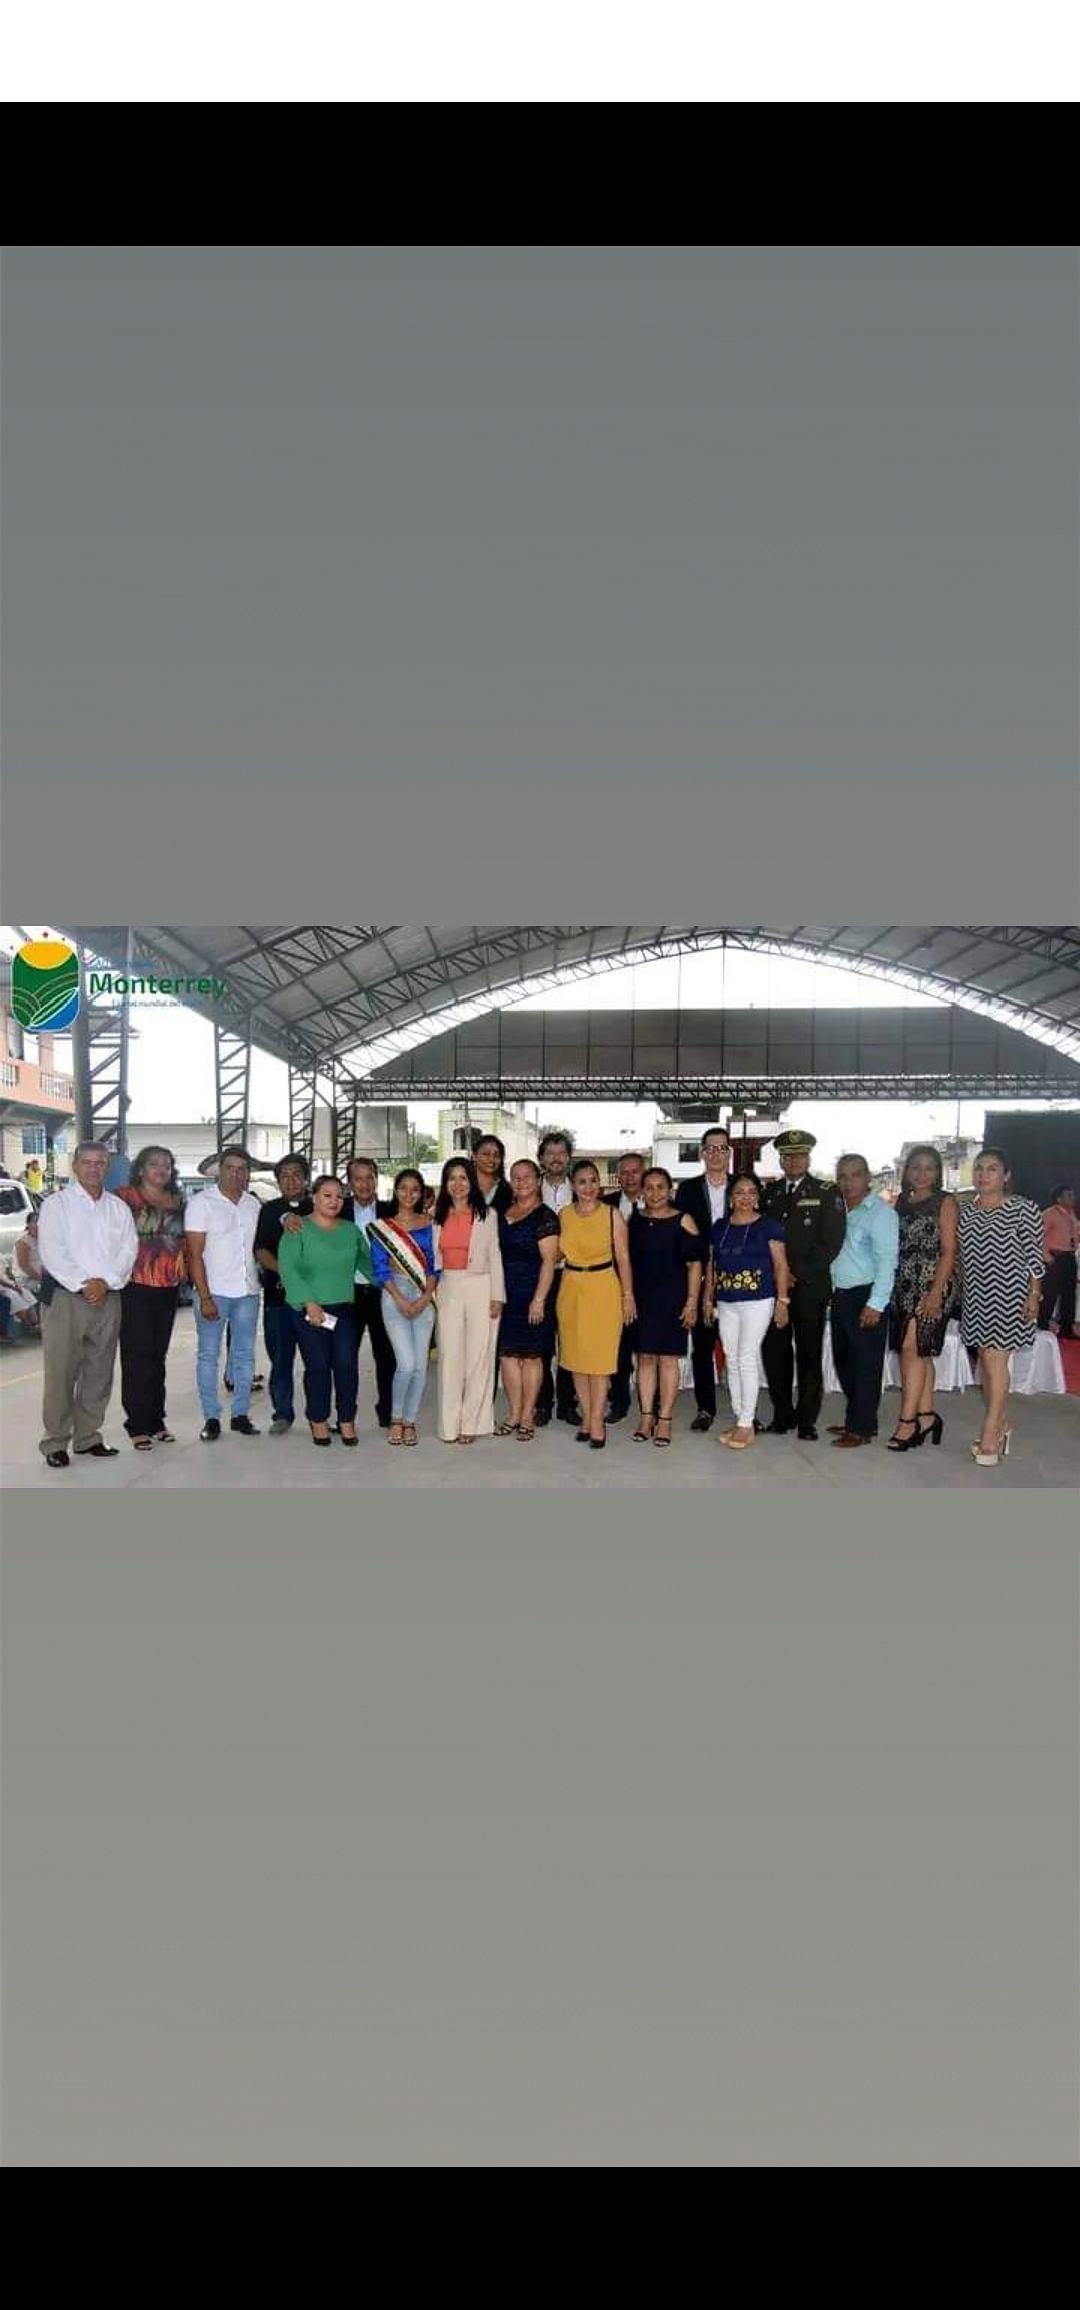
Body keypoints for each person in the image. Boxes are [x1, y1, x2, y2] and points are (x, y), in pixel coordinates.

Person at [36, 1141, 138, 1466]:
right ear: (75, 1166)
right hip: (66, 1298)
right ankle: (55, 1442)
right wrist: (85, 1283)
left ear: (107, 1167)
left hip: (109, 1297)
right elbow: (53, 1251)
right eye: (88, 1162)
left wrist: (105, 1282)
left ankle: (88, 1437)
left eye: (100, 1163)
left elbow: (129, 1249)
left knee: (99, 1373)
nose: (94, 1168)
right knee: (61, 1373)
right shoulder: (57, 1205)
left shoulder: (118, 1208)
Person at [959, 1147, 1045, 1468]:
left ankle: (990, 1434)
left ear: (1006, 1175)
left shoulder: (1023, 1208)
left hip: (1011, 1295)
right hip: (976, 1296)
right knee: (986, 1361)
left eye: (992, 1169)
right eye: (979, 1168)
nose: (983, 1175)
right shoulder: (967, 1211)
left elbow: (1034, 1255)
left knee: (996, 1360)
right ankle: (1003, 1422)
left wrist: (1034, 1293)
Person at [761, 1130, 847, 1442]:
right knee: (776, 1352)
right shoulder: (769, 1193)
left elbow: (831, 1242)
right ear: (781, 1160)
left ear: (809, 1158)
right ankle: (782, 1413)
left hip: (810, 1286)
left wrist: (793, 1273)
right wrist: (779, 1276)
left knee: (809, 1353)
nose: (794, 1161)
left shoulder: (826, 1192)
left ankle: (807, 1420)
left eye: (800, 1155)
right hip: (775, 1288)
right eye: (788, 1156)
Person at [184, 1146, 263, 1442]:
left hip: (247, 1291)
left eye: (242, 1169)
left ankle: (240, 1414)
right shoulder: (201, 1204)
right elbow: (194, 1255)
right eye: (230, 1168)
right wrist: (204, 1297)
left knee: (244, 1355)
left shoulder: (253, 1204)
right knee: (208, 1355)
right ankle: (211, 1417)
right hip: (214, 1292)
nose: (236, 1174)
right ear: (220, 1170)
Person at [708, 1172, 792, 1450]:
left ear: (758, 1197)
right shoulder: (720, 1227)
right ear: (730, 1197)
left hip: (759, 1299)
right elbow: (712, 1266)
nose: (745, 1197)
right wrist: (708, 1299)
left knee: (746, 1357)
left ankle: (747, 1423)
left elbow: (781, 1266)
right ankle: (741, 1418)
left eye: (751, 1192)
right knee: (731, 1358)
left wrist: (782, 1301)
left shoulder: (769, 1226)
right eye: (739, 1192)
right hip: (726, 1300)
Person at [885, 1145, 960, 1453]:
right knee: (921, 1352)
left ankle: (907, 1422)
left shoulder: (945, 1201)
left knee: (911, 1349)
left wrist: (935, 1293)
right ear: (907, 1171)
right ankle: (927, 1416)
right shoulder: (900, 1202)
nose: (922, 1174)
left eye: (929, 1168)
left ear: (938, 1172)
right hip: (904, 1285)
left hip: (933, 1283)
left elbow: (949, 1251)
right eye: (916, 1167)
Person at [277, 1175, 361, 1447]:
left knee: (346, 1364)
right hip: (307, 1308)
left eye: (339, 1196)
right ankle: (318, 1418)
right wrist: (309, 1302)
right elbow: (288, 1269)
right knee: (318, 1365)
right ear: (314, 1197)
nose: (334, 1201)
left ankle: (346, 1418)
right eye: (327, 1195)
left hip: (343, 1307)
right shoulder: (297, 1228)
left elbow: (368, 1263)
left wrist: (396, 1281)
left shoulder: (351, 1231)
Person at [557, 1159, 635, 1450]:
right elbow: (554, 1253)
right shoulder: (564, 1215)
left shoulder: (612, 1215)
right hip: (571, 1288)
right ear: (573, 1185)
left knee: (600, 1361)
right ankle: (587, 1417)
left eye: (593, 1180)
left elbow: (624, 1258)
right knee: (576, 1358)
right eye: (582, 1182)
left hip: (603, 1287)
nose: (588, 1187)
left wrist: (628, 1296)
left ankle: (598, 1419)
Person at [114, 1145, 188, 1450]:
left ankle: (157, 1420)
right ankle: (137, 1424)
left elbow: (184, 1241)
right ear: (141, 1168)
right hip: (135, 1285)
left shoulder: (178, 1200)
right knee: (137, 1356)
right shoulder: (124, 1197)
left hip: (168, 1287)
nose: (161, 1169)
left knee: (158, 1356)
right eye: (154, 1163)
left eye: (166, 1165)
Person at [828, 1156, 901, 1450]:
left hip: (866, 1296)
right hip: (841, 1295)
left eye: (855, 1175)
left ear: (868, 1177)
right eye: (842, 1176)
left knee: (865, 1366)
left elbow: (887, 1262)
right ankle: (858, 1419)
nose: (849, 1182)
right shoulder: (837, 1209)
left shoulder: (881, 1213)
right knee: (844, 1361)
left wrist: (876, 1303)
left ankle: (860, 1428)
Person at [628, 1167, 702, 1447]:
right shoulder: (635, 1220)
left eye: (661, 1187)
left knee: (668, 1359)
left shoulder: (684, 1220)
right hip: (642, 1298)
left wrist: (692, 1302)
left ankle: (665, 1419)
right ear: (642, 1191)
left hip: (673, 1298)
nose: (655, 1193)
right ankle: (646, 1417)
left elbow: (695, 1264)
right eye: (649, 1187)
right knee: (645, 1358)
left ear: (670, 1190)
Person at [432, 1159, 505, 1445]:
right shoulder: (435, 1215)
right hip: (448, 1286)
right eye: (452, 1178)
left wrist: (497, 1295)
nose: (458, 1184)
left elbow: (495, 1254)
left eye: (463, 1178)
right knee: (450, 1357)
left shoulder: (488, 1214)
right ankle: (449, 1425)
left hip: (481, 1285)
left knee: (478, 1358)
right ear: (445, 1183)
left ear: (472, 1182)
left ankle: (472, 1423)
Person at [367, 1170, 440, 1446]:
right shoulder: (383, 1227)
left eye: (415, 1189)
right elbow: (380, 1269)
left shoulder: (431, 1224)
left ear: (422, 1194)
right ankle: (395, 1418)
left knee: (420, 1366)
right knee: (406, 1364)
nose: (409, 1194)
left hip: (424, 1293)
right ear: (396, 1191)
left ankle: (410, 1422)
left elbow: (435, 1265)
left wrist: (425, 1297)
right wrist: (399, 1298)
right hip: (393, 1294)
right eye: (404, 1188)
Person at [497, 1158, 561, 1439]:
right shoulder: (502, 1213)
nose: (521, 1182)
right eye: (516, 1177)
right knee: (508, 1357)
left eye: (527, 1176)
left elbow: (549, 1261)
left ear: (538, 1181)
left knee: (532, 1358)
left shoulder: (545, 1217)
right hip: (505, 1296)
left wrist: (539, 1300)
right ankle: (513, 1413)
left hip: (534, 1295)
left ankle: (527, 1416)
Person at [253, 1154, 315, 1437]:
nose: (291, 1181)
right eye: (285, 1176)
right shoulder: (269, 1211)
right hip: (278, 1299)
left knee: (317, 1360)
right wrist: (286, 1273)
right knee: (280, 1360)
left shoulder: (318, 1206)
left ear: (306, 1178)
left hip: (315, 1300)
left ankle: (318, 1414)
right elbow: (261, 1250)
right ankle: (282, 1414)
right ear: (278, 1181)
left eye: (296, 1174)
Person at [676, 1129, 733, 1432]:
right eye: (710, 1148)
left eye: (721, 1148)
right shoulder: (688, 1190)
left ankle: (745, 1410)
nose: (715, 1154)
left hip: (739, 1277)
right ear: (702, 1153)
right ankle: (705, 1408)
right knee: (702, 1346)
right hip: (700, 1276)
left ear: (729, 1153)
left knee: (740, 1348)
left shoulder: (743, 1186)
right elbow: (682, 1234)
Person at [339, 1156, 398, 1428]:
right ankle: (345, 1415)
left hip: (382, 1292)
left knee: (386, 1357)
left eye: (369, 1178)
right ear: (350, 1183)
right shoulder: (337, 1210)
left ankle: (388, 1412)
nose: (364, 1184)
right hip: (347, 1294)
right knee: (345, 1358)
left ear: (376, 1179)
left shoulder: (391, 1210)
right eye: (358, 1179)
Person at [536, 1131, 577, 1426]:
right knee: (542, 1341)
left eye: (561, 1152)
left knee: (571, 1340)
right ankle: (543, 1403)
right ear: (541, 1159)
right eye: (550, 1153)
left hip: (573, 1274)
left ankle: (567, 1402)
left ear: (569, 1157)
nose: (556, 1158)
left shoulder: (582, 1188)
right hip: (539, 1274)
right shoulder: (528, 1189)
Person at [604, 1152, 646, 1420]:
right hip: (613, 1287)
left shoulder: (659, 1201)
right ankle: (619, 1402)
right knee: (618, 1350)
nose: (630, 1177)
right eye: (624, 1172)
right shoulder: (605, 1205)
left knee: (649, 1350)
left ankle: (652, 1405)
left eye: (635, 1171)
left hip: (652, 1287)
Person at [1039, 1184, 1078, 1340]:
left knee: (1069, 1295)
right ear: (1059, 1199)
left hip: (1069, 1257)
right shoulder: (1049, 1214)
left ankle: (1066, 1328)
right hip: (1055, 1258)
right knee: (1050, 1294)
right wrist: (1047, 1257)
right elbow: (1037, 1236)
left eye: (1073, 1195)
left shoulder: (1071, 1214)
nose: (1073, 1198)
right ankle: (1042, 1327)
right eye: (1069, 1195)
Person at [474, 1134, 514, 1216]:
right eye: (486, 1154)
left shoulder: (507, 1190)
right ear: (474, 1156)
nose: (491, 1159)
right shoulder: (463, 1186)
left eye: (496, 1155)